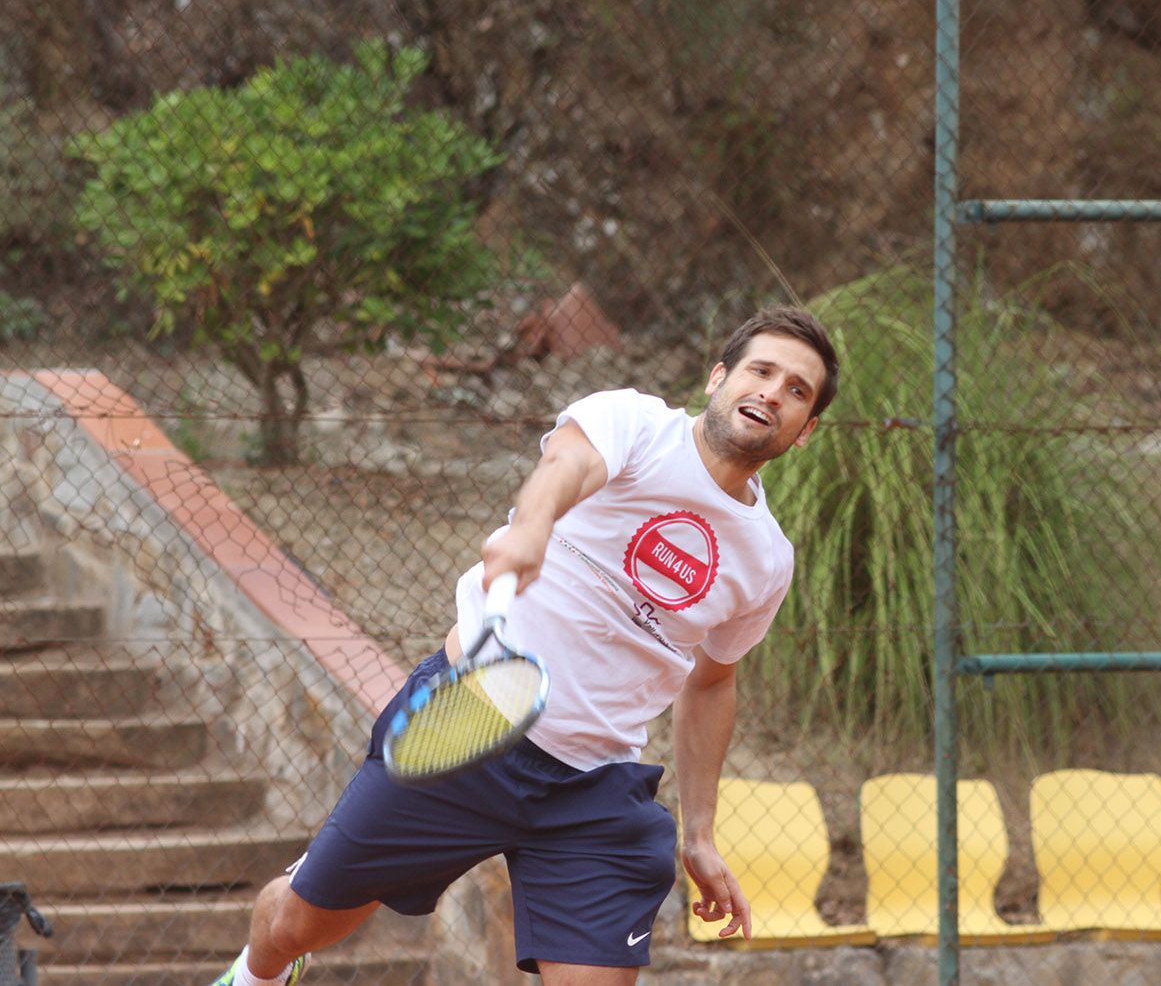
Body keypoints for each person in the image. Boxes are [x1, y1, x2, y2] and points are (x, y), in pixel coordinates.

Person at [207, 305, 840, 985]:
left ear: (805, 431)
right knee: (296, 923)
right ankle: (257, 974)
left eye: (797, 390)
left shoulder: (766, 558)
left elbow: (713, 680)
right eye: (761, 370)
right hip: (465, 726)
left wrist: (701, 832)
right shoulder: (635, 424)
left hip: (595, 789)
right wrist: (533, 527)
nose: (773, 392)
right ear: (719, 376)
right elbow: (567, 464)